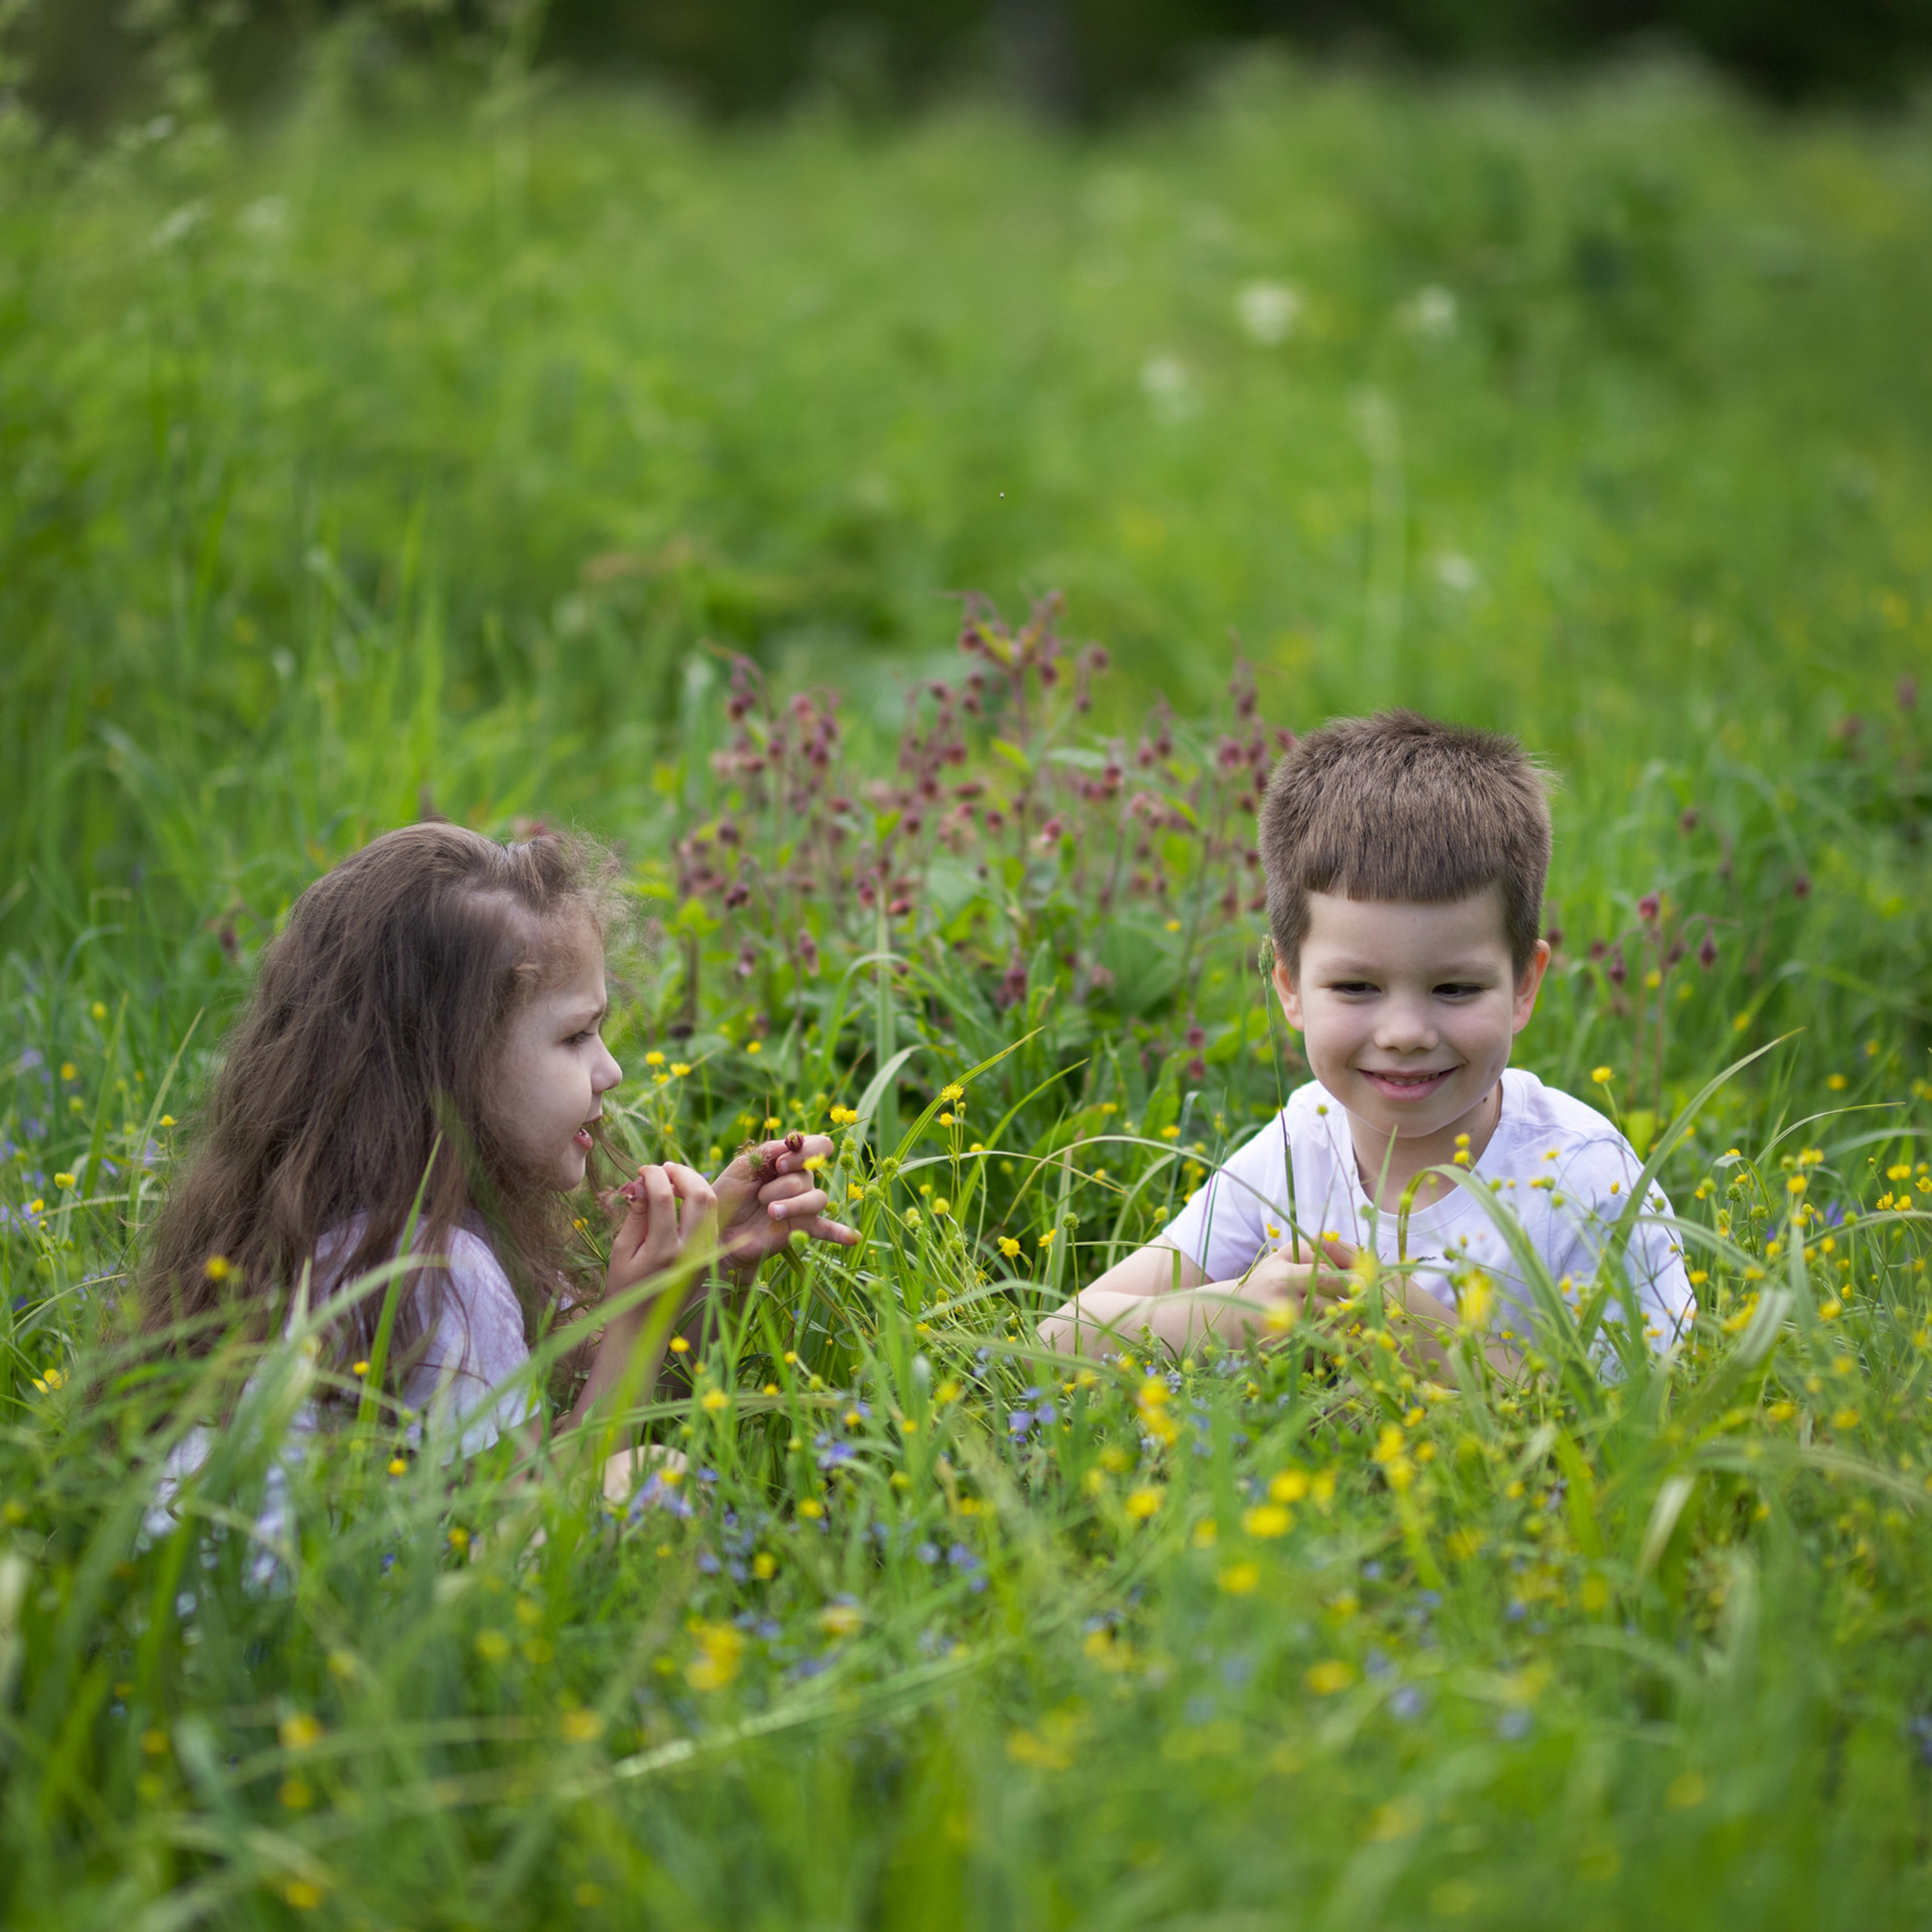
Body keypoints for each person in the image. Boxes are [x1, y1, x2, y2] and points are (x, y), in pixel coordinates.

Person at [139, 822, 856, 1508]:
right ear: (452, 1069)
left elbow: (590, 1378)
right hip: (284, 1622)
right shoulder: (433, 1269)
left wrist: (711, 1265)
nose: (609, 1071)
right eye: (576, 1036)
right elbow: (519, 1535)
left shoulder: (371, 1223)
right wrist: (637, 1324)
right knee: (653, 1477)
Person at [1041, 710, 1694, 1368]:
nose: (1405, 1034)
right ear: (1288, 985)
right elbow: (1059, 1337)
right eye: (1356, 987)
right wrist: (1229, 1312)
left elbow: (1650, 1421)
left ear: (1525, 984)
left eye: (1455, 989)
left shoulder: (1584, 1182)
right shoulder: (1301, 1147)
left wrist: (1442, 1351)